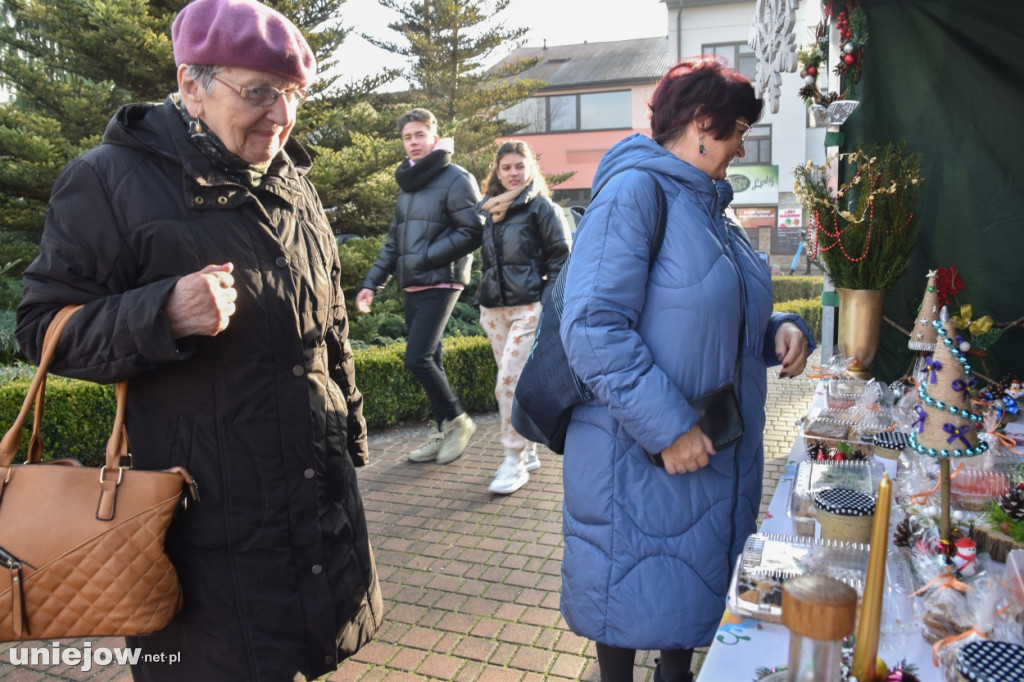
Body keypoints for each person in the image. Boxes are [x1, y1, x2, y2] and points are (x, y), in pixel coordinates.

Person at [15, 0, 383, 679]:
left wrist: (352, 437)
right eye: (258, 93)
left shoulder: (293, 181)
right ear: (192, 84)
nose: (280, 115)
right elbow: (41, 328)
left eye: (292, 95)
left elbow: (331, 330)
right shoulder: (107, 181)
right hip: (203, 528)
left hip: (316, 506)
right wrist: (162, 313)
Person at [556, 58, 815, 682]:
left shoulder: (713, 210)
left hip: (710, 450)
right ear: (702, 123)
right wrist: (669, 428)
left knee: (686, 614)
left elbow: (721, 311)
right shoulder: (634, 193)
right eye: (738, 132)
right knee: (625, 613)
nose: (742, 145)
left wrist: (779, 329)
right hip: (641, 455)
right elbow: (592, 327)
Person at [355, 108, 485, 465]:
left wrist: (428, 256)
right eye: (407, 137)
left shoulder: (455, 177)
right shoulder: (408, 186)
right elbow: (394, 244)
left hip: (442, 280)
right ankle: (443, 431)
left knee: (418, 358)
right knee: (433, 359)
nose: (413, 142)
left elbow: (473, 229)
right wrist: (371, 284)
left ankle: (458, 420)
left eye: (419, 135)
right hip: (413, 284)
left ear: (434, 136)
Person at [477, 140, 571, 494]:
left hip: (529, 309)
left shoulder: (542, 208)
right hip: (494, 312)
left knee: (508, 383)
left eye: (520, 166)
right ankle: (529, 447)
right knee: (511, 385)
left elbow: (562, 259)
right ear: (497, 173)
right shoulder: (488, 210)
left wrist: (546, 305)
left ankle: (513, 460)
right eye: (506, 167)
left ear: (531, 168)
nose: (513, 173)